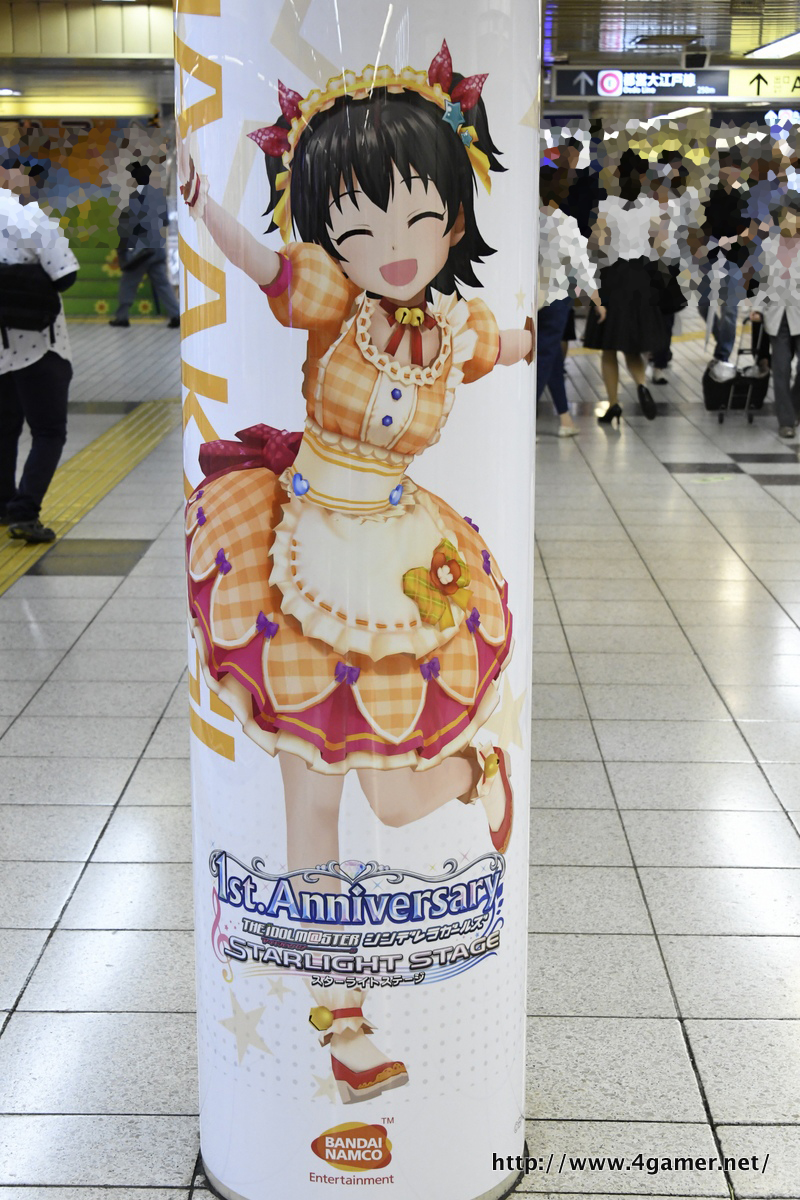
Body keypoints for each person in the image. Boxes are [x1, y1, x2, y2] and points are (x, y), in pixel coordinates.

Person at [179, 46, 532, 1101]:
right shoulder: (334, 297)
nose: (394, 247)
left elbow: (508, 344)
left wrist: (549, 326)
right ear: (332, 230)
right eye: (362, 226)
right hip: (297, 547)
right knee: (314, 804)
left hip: (400, 553)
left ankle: (475, 774)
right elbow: (265, 266)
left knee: (394, 792)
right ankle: (343, 1019)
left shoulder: (456, 330)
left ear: (454, 223)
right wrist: (204, 209)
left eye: (420, 219)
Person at [0, 157, 78, 543]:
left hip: (1, 349)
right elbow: (66, 276)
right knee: (48, 431)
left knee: (3, 430)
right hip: (40, 347)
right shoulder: (31, 218)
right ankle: (24, 512)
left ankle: (4, 505)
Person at [583, 149, 664, 423]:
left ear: (618, 174)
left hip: (613, 277)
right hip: (641, 279)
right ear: (643, 176)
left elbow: (597, 246)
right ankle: (641, 384)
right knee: (631, 345)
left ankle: (614, 403)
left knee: (609, 347)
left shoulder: (607, 207)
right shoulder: (651, 207)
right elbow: (660, 246)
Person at [538, 165, 606, 435]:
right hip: (557, 297)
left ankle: (565, 417)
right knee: (546, 356)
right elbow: (580, 265)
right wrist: (597, 300)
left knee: (552, 356)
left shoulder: (527, 220)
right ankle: (525, 420)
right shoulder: (563, 222)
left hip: (531, 298)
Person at [749, 193, 800, 438]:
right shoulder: (769, 246)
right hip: (777, 316)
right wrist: (757, 308)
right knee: (781, 369)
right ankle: (786, 421)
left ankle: (794, 406)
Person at [109, 161, 180, 329]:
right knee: (162, 284)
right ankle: (176, 315)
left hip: (141, 251)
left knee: (128, 282)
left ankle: (122, 317)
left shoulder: (135, 197)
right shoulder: (157, 196)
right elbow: (165, 221)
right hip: (157, 249)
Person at [697, 148, 750, 362]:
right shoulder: (711, 195)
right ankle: (721, 339)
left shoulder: (745, 196)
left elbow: (751, 231)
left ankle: (723, 354)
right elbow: (702, 226)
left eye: (730, 167)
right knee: (703, 306)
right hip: (709, 259)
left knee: (729, 310)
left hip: (735, 261)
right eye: (722, 167)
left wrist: (733, 240)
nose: (725, 171)